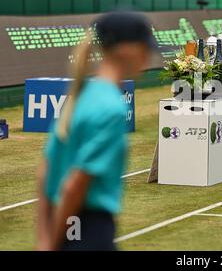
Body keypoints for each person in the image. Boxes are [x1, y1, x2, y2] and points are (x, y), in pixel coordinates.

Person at [36, 12, 157, 251]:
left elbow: (46, 171)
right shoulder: (111, 107)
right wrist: (51, 244)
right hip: (90, 230)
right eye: (145, 47)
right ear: (127, 50)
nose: (148, 56)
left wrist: (45, 238)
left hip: (71, 226)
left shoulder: (82, 96)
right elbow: (75, 184)